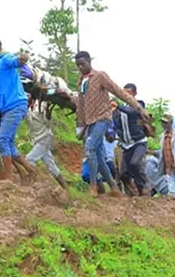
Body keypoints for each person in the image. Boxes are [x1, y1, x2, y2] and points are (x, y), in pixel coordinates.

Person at [74, 51, 149, 197]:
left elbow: (118, 91)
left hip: (102, 119)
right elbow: (81, 106)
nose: (81, 67)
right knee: (99, 156)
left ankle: (93, 186)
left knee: (89, 148)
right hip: (90, 123)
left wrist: (138, 108)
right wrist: (81, 127)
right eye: (78, 65)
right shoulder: (81, 81)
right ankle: (114, 187)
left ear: (89, 62)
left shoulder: (100, 76)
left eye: (83, 64)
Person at [0, 36, 37, 182]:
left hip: (16, 104)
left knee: (1, 140)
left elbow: (16, 61)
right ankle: (30, 170)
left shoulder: (5, 59)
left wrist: (22, 59)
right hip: (6, 110)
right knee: (7, 143)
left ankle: (9, 177)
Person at [113, 83, 149, 196]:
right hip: (126, 144)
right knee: (123, 173)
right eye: (124, 93)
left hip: (139, 142)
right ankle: (134, 193)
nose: (125, 95)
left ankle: (145, 185)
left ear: (134, 93)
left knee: (134, 163)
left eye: (128, 93)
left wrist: (117, 106)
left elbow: (132, 112)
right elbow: (116, 124)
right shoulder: (119, 109)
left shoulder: (139, 105)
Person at [25, 96, 67, 189]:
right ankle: (66, 188)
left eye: (27, 99)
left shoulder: (41, 107)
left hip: (45, 138)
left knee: (29, 159)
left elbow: (48, 123)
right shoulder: (26, 110)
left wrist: (47, 112)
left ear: (32, 100)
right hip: (37, 139)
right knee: (51, 165)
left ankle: (31, 182)